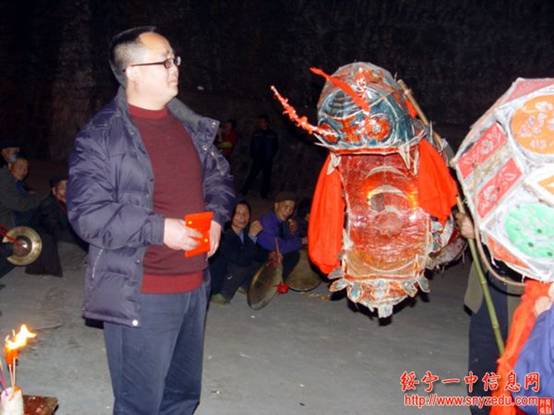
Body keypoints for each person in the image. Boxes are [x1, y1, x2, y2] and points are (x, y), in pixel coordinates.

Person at [67, 26, 234, 415]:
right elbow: (88, 214)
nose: (175, 68)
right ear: (133, 72)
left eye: (175, 59)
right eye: (165, 61)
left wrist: (217, 218)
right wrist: (160, 228)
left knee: (182, 397)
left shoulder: (190, 126)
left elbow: (219, 180)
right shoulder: (101, 136)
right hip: (142, 291)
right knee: (140, 404)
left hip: (194, 284)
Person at [456, 212, 523, 415]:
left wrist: (482, 234)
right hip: (489, 282)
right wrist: (469, 220)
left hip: (528, 293)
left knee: (523, 373)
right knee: (482, 367)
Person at [209, 200, 264, 304]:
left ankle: (241, 285)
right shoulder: (224, 234)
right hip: (218, 278)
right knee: (243, 265)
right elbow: (242, 260)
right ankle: (222, 294)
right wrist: (252, 237)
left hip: (230, 270)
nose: (242, 217)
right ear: (230, 215)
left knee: (258, 261)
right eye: (238, 213)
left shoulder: (245, 232)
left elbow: (258, 254)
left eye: (245, 213)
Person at [256, 192, 306, 280]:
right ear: (276, 205)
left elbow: (289, 241)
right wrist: (301, 241)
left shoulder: (283, 221)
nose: (288, 211)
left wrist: (293, 232)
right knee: (293, 255)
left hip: (273, 253)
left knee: (294, 253)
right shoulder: (267, 221)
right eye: (286, 206)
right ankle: (273, 281)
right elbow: (280, 247)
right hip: (260, 258)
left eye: (291, 208)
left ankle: (278, 280)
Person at [240, 114, 279, 198]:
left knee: (266, 177)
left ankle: (264, 195)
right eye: (260, 122)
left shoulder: (272, 134)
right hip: (257, 158)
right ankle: (244, 191)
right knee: (252, 175)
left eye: (262, 122)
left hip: (267, 159)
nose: (260, 123)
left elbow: (275, 147)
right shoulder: (257, 133)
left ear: (267, 123)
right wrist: (253, 154)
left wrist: (271, 155)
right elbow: (252, 144)